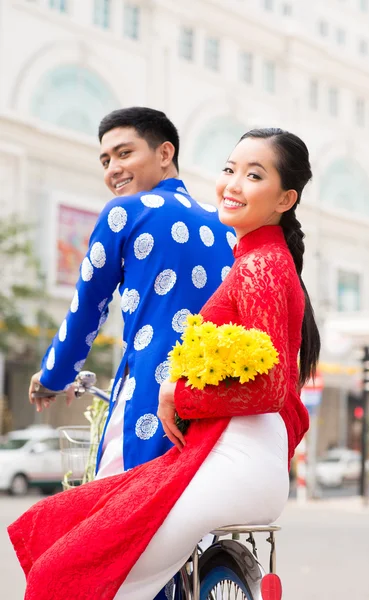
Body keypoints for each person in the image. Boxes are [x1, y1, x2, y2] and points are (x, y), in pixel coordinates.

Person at [9, 127, 320, 600]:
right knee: (72, 528)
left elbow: (274, 388)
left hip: (230, 456)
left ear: (285, 198)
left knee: (70, 566)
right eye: (229, 169)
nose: (233, 185)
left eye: (254, 175)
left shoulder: (260, 266)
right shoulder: (243, 251)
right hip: (228, 451)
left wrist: (179, 393)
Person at [28, 106, 235, 479]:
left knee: (121, 518)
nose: (112, 170)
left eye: (124, 154)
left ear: (165, 153)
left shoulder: (123, 212)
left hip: (152, 393)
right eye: (105, 160)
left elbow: (88, 309)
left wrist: (51, 377)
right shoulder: (223, 224)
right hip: (217, 396)